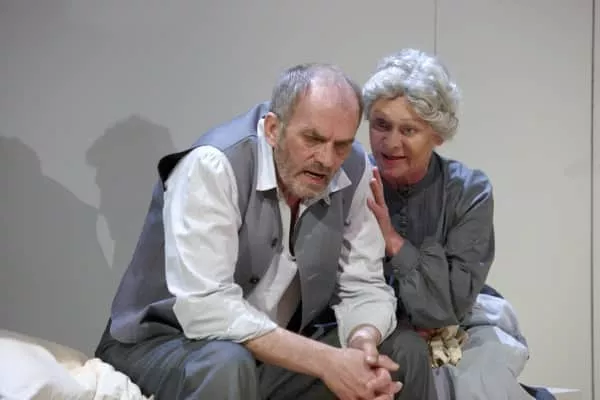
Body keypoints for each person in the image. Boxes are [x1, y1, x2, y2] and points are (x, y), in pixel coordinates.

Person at [94, 62, 435, 400]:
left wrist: (362, 344)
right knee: (227, 363)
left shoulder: (354, 169)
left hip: (270, 352)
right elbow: (207, 307)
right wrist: (327, 362)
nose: (327, 159)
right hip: (167, 344)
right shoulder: (213, 165)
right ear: (273, 129)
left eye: (341, 145)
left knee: (402, 352)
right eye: (313, 139)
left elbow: (364, 285)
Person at [363, 48, 537, 399]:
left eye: (408, 129)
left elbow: (450, 307)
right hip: (375, 325)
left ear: (438, 134)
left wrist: (394, 242)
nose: (391, 142)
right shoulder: (353, 181)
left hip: (461, 321)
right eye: (381, 125)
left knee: (477, 381)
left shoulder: (469, 191)